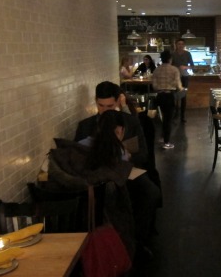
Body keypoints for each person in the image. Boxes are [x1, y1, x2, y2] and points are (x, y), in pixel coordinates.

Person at [74, 81, 161, 253]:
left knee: (151, 192)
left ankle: (138, 238)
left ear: (118, 102)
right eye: (101, 106)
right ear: (95, 102)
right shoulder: (86, 126)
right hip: (99, 176)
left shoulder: (130, 123)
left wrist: (127, 157)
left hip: (128, 171)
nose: (105, 110)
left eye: (110, 106)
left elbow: (143, 154)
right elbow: (79, 157)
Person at [151, 50, 183, 149]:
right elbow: (178, 85)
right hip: (169, 96)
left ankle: (162, 136)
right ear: (170, 59)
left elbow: (154, 85)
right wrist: (181, 89)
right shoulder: (174, 70)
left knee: (162, 118)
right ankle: (166, 142)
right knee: (168, 119)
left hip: (159, 96)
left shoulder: (157, 70)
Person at [171, 39, 194, 122]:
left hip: (184, 76)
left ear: (184, 45)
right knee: (174, 96)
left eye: (182, 44)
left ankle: (182, 116)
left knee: (183, 96)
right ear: (176, 45)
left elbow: (192, 66)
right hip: (174, 77)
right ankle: (175, 114)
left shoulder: (188, 54)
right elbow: (169, 65)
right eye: (179, 44)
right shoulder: (172, 54)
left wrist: (185, 67)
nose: (180, 45)